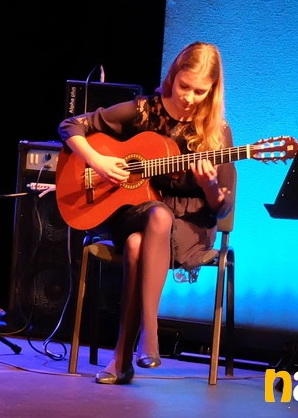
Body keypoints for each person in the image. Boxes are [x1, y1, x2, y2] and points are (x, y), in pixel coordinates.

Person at [57, 41, 236, 385]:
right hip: (136, 212)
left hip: (189, 225)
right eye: (184, 86)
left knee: (138, 243)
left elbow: (223, 207)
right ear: (173, 77)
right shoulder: (143, 111)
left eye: (200, 91)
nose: (189, 98)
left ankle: (122, 358)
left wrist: (210, 186)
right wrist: (98, 160)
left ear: (213, 90)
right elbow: (70, 126)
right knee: (156, 216)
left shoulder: (217, 132)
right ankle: (149, 335)